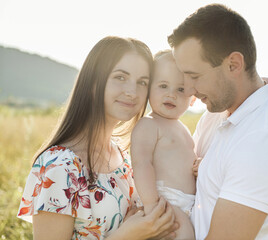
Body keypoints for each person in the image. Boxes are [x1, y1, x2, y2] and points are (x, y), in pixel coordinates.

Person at [17, 36, 178, 240]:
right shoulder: (60, 167)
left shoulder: (123, 156)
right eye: (120, 77)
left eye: (142, 82)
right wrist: (127, 236)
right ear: (93, 82)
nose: (132, 92)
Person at [168, 4, 268, 240]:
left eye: (195, 76)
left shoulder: (266, 140)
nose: (188, 89)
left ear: (233, 64)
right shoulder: (216, 113)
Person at [131, 50, 197, 240]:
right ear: (149, 88)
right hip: (163, 200)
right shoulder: (149, 124)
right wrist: (152, 206)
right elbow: (141, 164)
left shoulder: (182, 127)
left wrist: (199, 166)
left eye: (181, 89)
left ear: (192, 98)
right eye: (163, 86)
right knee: (184, 234)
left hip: (185, 204)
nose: (171, 94)